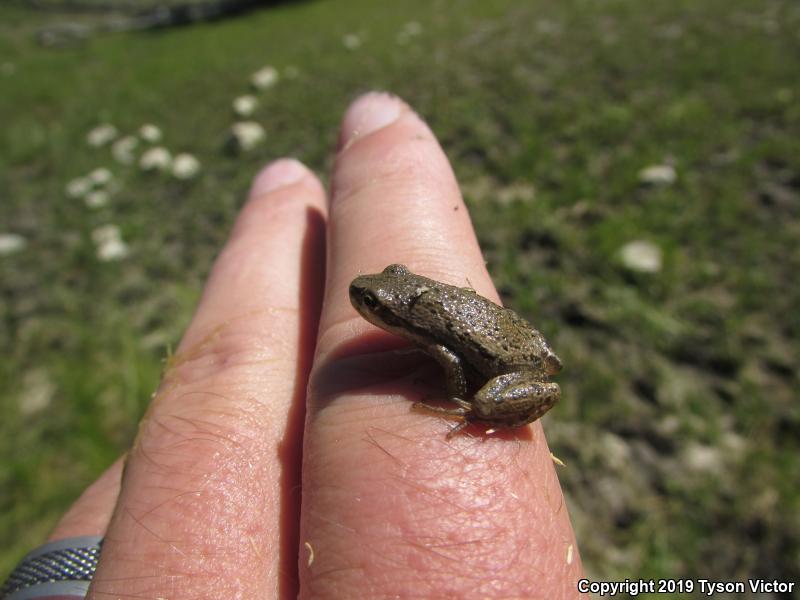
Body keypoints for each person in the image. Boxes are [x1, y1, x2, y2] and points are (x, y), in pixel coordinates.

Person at [3, 92, 585, 599]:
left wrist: (463, 400)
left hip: (510, 366)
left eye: (380, 310)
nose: (370, 305)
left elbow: (455, 359)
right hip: (523, 341)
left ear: (404, 317)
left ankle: (487, 406)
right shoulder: (418, 299)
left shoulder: (431, 334)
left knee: (484, 402)